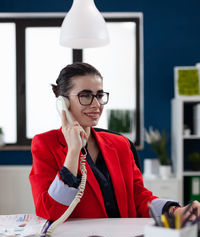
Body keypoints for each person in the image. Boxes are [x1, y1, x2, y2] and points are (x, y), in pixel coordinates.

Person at [29, 62, 200, 223]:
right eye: (85, 96)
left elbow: (139, 197)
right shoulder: (46, 144)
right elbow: (49, 212)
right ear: (63, 102)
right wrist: (73, 152)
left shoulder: (120, 143)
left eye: (99, 95)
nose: (96, 104)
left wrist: (174, 211)